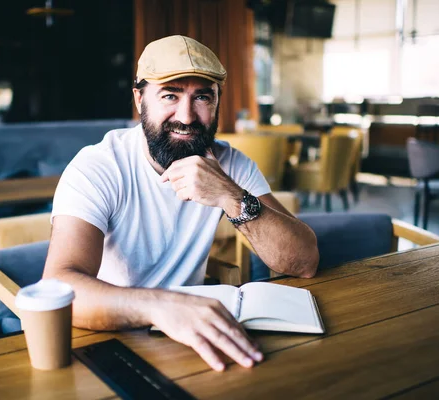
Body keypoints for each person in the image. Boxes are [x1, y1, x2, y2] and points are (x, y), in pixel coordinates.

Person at [43, 35, 319, 371]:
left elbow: (304, 261)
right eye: (170, 95)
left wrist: (232, 196)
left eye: (202, 96)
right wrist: (161, 305)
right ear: (139, 98)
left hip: (190, 338)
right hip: (107, 337)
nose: (187, 117)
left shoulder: (230, 164)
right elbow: (60, 287)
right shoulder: (99, 167)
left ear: (217, 101)